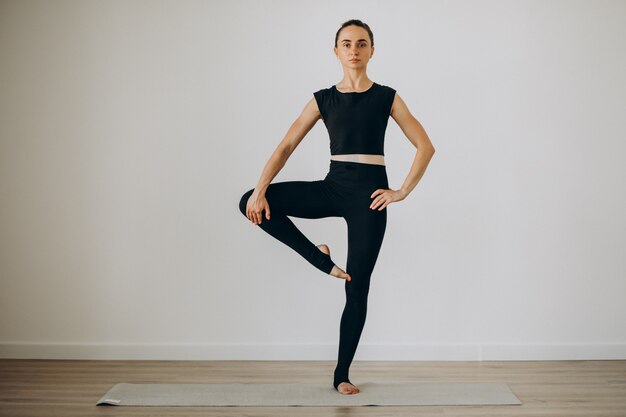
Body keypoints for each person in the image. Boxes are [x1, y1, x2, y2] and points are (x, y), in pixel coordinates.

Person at [238, 19, 435, 395]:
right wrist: (260, 189)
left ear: (372, 51)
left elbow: (425, 146)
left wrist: (402, 191)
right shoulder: (323, 99)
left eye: (362, 44)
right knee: (250, 200)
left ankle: (341, 374)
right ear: (336, 51)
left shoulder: (387, 97)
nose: (354, 50)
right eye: (347, 44)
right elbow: (285, 147)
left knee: (357, 287)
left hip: (369, 201)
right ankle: (318, 258)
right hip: (332, 189)